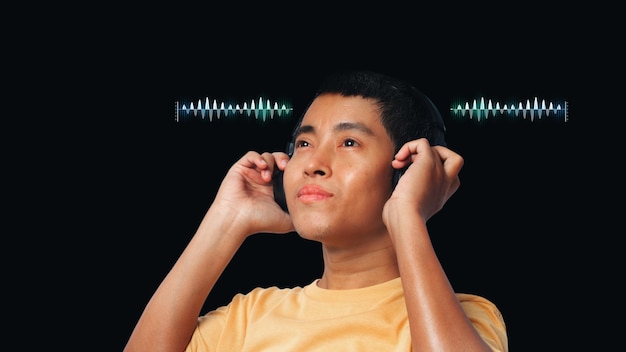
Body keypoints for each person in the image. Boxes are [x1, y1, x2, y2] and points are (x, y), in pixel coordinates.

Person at [124, 70, 508, 351]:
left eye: (349, 142)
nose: (312, 163)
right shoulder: (246, 317)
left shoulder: (464, 317)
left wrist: (408, 214)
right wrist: (225, 220)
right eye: (304, 144)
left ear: (405, 169)